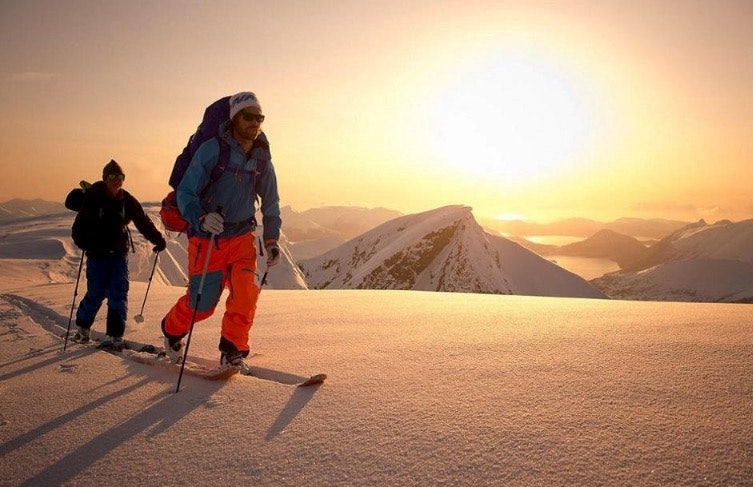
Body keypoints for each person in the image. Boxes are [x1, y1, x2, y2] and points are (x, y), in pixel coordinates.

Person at [161, 91, 281, 369]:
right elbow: (186, 192)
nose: (255, 122)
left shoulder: (262, 159)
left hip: (242, 237)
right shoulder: (212, 150)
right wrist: (201, 218)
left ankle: (233, 351)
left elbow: (271, 202)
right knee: (202, 304)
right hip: (208, 238)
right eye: (248, 117)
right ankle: (171, 329)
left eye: (259, 118)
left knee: (245, 295)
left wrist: (272, 238)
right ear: (235, 119)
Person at [71, 159, 167, 349]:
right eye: (113, 176)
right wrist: (86, 243)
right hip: (97, 256)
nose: (117, 180)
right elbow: (79, 228)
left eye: (120, 177)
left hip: (118, 256)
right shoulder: (93, 198)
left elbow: (143, 222)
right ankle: (82, 328)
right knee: (96, 294)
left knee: (118, 294)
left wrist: (158, 240)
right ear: (105, 178)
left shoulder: (126, 200)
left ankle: (115, 336)